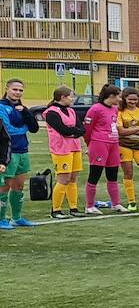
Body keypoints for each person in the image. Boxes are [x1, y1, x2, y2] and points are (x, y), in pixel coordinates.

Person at [81, 84, 127, 214]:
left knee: (113, 175)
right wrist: (90, 144)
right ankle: (89, 206)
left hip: (113, 143)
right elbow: (87, 130)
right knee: (95, 174)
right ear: (111, 96)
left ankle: (116, 203)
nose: (120, 99)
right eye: (118, 96)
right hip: (99, 143)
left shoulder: (114, 109)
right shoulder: (95, 109)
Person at [0, 79, 40, 228]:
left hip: (23, 150)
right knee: (4, 187)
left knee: (18, 186)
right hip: (8, 152)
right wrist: (23, 128)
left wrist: (26, 113)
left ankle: (16, 218)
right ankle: (1, 218)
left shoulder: (22, 108)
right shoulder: (1, 106)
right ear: (7, 89)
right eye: (15, 89)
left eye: (20, 90)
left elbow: (34, 128)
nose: (17, 92)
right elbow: (7, 129)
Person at [44, 86, 85, 219]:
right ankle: (56, 210)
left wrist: (74, 131)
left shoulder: (71, 111)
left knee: (73, 178)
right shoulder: (51, 112)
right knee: (63, 179)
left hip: (75, 147)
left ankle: (73, 207)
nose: (72, 99)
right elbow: (63, 130)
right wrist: (74, 131)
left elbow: (81, 129)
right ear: (63, 97)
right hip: (61, 149)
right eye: (71, 96)